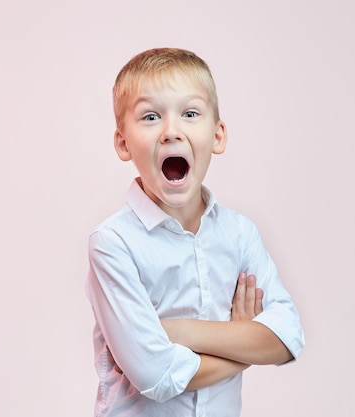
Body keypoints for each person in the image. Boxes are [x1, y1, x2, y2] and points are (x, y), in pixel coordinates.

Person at [85, 47, 304, 417]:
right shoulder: (113, 244)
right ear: (123, 142)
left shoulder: (239, 234)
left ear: (217, 135)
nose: (172, 131)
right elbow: (156, 376)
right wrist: (243, 347)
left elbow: (287, 337)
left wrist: (180, 332)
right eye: (151, 116)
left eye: (190, 114)